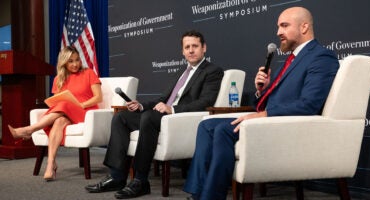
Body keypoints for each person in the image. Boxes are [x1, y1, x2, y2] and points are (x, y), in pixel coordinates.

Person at [183, 6, 340, 200]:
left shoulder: (321, 57)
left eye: (284, 26)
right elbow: (270, 102)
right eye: (278, 27)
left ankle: (211, 196)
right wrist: (262, 90)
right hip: (273, 121)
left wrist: (264, 115)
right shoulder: (294, 58)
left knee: (225, 129)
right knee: (206, 125)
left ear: (304, 26)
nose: (278, 32)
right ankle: (197, 193)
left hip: (289, 128)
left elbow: (309, 105)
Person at [85, 30, 224, 198]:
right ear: (182, 51)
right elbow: (161, 99)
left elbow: (205, 102)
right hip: (163, 116)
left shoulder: (212, 71)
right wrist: (141, 105)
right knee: (121, 117)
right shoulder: (181, 72)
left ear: (204, 48)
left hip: (180, 119)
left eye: (195, 46)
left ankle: (140, 180)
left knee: (149, 117)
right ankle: (117, 176)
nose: (191, 50)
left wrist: (172, 109)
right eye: (187, 47)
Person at [8, 46, 102, 181]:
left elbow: (98, 97)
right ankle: (51, 164)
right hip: (66, 113)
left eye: (77, 60)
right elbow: (58, 101)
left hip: (86, 112)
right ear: (64, 62)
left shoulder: (89, 73)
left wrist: (82, 104)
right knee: (58, 120)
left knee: (63, 105)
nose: (75, 64)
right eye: (70, 61)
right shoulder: (59, 79)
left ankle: (29, 129)